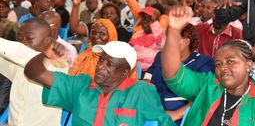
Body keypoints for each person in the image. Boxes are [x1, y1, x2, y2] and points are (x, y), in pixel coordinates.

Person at [161, 6, 255, 125]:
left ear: (248, 65)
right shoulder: (207, 85)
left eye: (230, 61)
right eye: (218, 64)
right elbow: (172, 74)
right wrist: (173, 29)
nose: (223, 68)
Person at [23, 41, 175, 125]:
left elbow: (164, 123)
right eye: (101, 60)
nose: (100, 66)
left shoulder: (140, 91)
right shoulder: (81, 86)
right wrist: (45, 53)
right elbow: (35, 73)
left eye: (110, 64)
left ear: (124, 72)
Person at [0, 18, 68, 126]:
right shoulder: (19, 63)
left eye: (29, 38)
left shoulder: (58, 64)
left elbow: (22, 52)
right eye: (20, 37)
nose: (23, 42)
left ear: (47, 41)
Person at [146, 24, 215, 125]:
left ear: (187, 41)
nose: (168, 42)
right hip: (154, 110)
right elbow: (148, 76)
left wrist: (177, 114)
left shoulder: (204, 62)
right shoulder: (161, 57)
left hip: (182, 116)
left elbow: (204, 95)